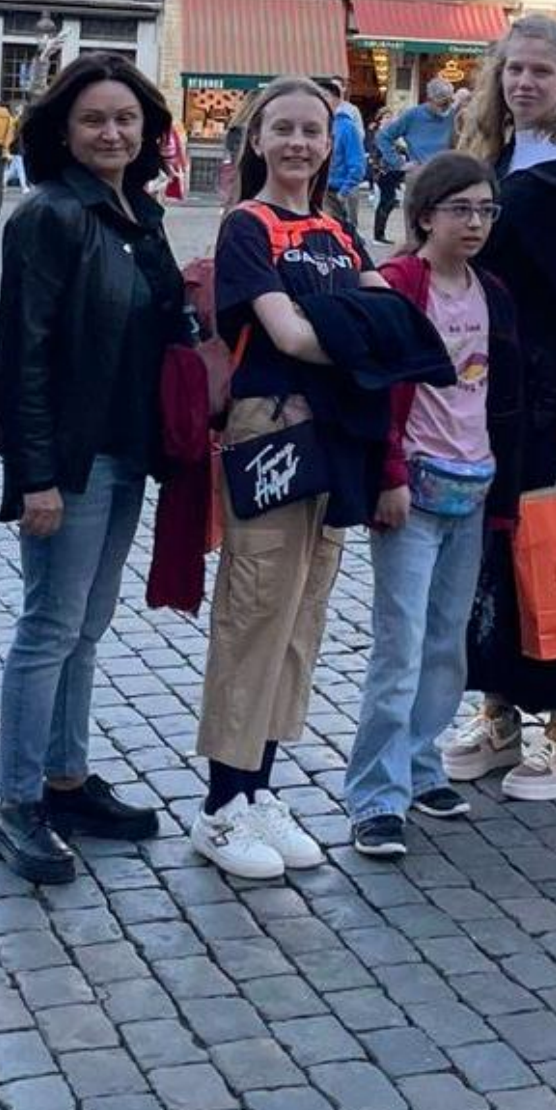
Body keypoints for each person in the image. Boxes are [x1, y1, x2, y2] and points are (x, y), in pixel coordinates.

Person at [192, 76, 451, 881]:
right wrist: (359, 334)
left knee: (303, 614)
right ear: (258, 140)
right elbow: (289, 336)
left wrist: (344, 328)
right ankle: (222, 803)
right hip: (273, 428)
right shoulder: (248, 227)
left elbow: (396, 322)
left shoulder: (338, 232)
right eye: (285, 131)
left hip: (337, 432)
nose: (300, 144)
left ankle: (263, 784)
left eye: (314, 130)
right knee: (254, 609)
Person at [0, 56, 186, 884]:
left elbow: (161, 319)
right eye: (96, 120)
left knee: (86, 629)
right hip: (70, 456)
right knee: (48, 629)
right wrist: (35, 476)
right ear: (63, 129)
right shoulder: (50, 216)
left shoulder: (139, 213)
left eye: (126, 121)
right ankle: (17, 801)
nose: (112, 133)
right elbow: (21, 352)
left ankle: (65, 779)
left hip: (126, 448)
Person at [444, 15, 556, 801]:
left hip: (552, 395)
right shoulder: (499, 156)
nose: (524, 84)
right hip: (489, 390)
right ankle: (499, 712)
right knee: (490, 557)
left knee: (551, 555)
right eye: (514, 70)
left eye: (540, 74)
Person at [345, 152, 520, 858]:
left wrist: (502, 495)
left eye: (485, 210)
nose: (475, 223)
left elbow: (501, 399)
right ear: (424, 216)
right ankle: (375, 795)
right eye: (461, 210)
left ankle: (420, 765)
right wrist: (386, 474)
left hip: (473, 486)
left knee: (446, 641)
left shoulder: (493, 293)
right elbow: (379, 390)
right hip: (412, 489)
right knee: (399, 643)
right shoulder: (400, 284)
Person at [318, 76, 366, 233]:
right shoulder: (318, 125)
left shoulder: (347, 127)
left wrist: (343, 192)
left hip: (333, 192)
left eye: (325, 96)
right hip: (316, 190)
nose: (321, 101)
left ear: (338, 99)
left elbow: (357, 165)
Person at [383, 77, 457, 173]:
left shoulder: (454, 115)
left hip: (449, 177)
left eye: (449, 103)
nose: (447, 108)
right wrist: (399, 163)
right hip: (420, 177)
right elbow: (383, 137)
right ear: (430, 100)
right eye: (442, 104)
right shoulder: (412, 115)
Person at [369, 119, 405, 245]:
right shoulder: (380, 139)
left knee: (388, 202)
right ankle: (378, 235)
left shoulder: (391, 140)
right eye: (387, 119)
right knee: (386, 203)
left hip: (392, 175)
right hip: (386, 175)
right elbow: (375, 158)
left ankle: (379, 235)